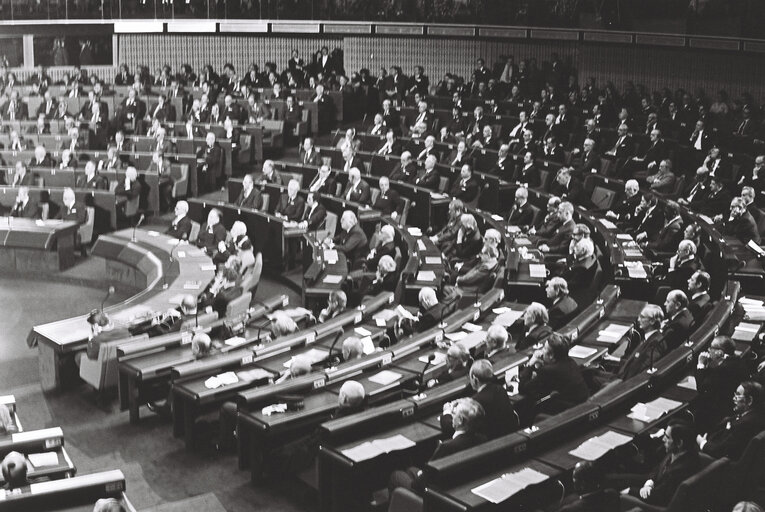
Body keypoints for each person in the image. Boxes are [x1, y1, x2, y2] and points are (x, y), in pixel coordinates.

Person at [388, 397, 486, 493]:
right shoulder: (482, 439)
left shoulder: (447, 447)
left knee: (396, 475)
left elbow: (417, 485)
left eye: (453, 413)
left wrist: (421, 475)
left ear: (460, 420)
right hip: (459, 483)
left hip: (435, 494)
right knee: (410, 470)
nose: (451, 416)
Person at [618, 421, 703, 509]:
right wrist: (649, 483)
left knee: (614, 490)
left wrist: (630, 491)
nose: (663, 439)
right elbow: (658, 468)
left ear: (679, 443)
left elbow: (659, 497)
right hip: (654, 483)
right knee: (615, 480)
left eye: (667, 437)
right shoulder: (680, 452)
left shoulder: (680, 470)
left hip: (655, 498)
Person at [443, 359, 519, 439]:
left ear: (475, 380)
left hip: (489, 441)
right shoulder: (500, 390)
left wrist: (447, 412)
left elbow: (452, 428)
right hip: (509, 434)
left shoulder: (475, 403)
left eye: (470, 378)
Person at [520, 333, 590, 410]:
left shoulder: (549, 371)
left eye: (544, 348)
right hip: (582, 404)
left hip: (569, 411)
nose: (541, 351)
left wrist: (529, 364)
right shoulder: (571, 361)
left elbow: (523, 389)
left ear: (551, 355)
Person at [697, 381, 765, 460]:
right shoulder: (756, 416)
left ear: (749, 400)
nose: (733, 398)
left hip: (715, 461)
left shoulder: (745, 424)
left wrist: (702, 443)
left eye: (738, 395)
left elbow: (720, 451)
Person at [617, 305, 668, 380]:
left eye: (642, 317)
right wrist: (613, 359)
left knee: (593, 375)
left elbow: (639, 371)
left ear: (652, 321)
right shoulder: (650, 338)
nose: (638, 319)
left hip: (622, 382)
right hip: (622, 376)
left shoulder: (655, 344)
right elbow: (634, 362)